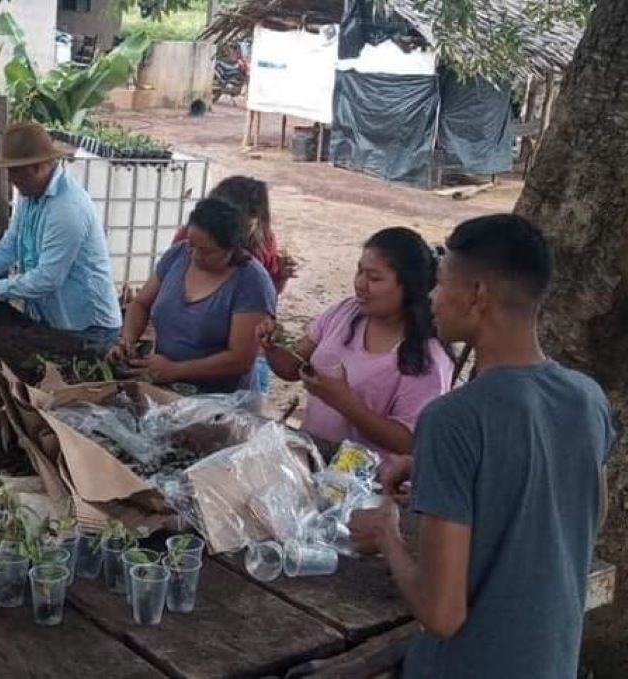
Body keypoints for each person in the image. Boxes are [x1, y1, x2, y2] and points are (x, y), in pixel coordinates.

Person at [349, 214, 612, 679]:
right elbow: (587, 513)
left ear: (477, 296)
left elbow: (442, 614)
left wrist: (386, 536)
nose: (431, 296)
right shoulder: (586, 398)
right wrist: (432, 467)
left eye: (442, 282)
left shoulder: (452, 419)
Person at [259, 227, 452, 456]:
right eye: (359, 272)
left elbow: (409, 442)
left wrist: (344, 401)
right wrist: (273, 345)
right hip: (310, 456)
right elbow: (292, 367)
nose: (360, 284)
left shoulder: (426, 359)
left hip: (365, 481)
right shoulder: (345, 313)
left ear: (410, 287)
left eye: (374, 278)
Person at [0, 122, 121, 352]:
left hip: (90, 330)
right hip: (55, 322)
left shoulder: (67, 209)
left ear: (37, 167)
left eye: (14, 170)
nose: (10, 178)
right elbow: (10, 247)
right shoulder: (28, 195)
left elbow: (48, 278)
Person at [108, 197, 276, 393]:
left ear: (231, 248)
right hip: (168, 390)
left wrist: (176, 370)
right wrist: (127, 342)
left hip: (221, 401)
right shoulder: (177, 255)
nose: (194, 256)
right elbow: (140, 304)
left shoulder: (252, 283)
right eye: (191, 245)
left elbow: (240, 360)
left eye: (206, 251)